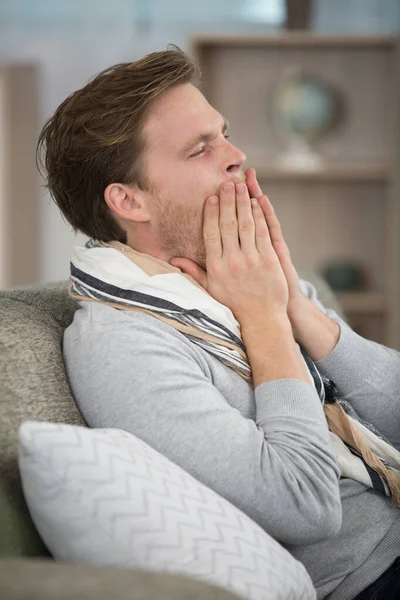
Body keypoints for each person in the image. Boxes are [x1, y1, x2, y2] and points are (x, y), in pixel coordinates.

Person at [37, 47, 400, 599]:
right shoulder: (123, 343)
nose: (237, 155)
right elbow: (305, 505)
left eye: (223, 133)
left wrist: (295, 310)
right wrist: (264, 323)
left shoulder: (239, 276)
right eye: (200, 149)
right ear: (129, 201)